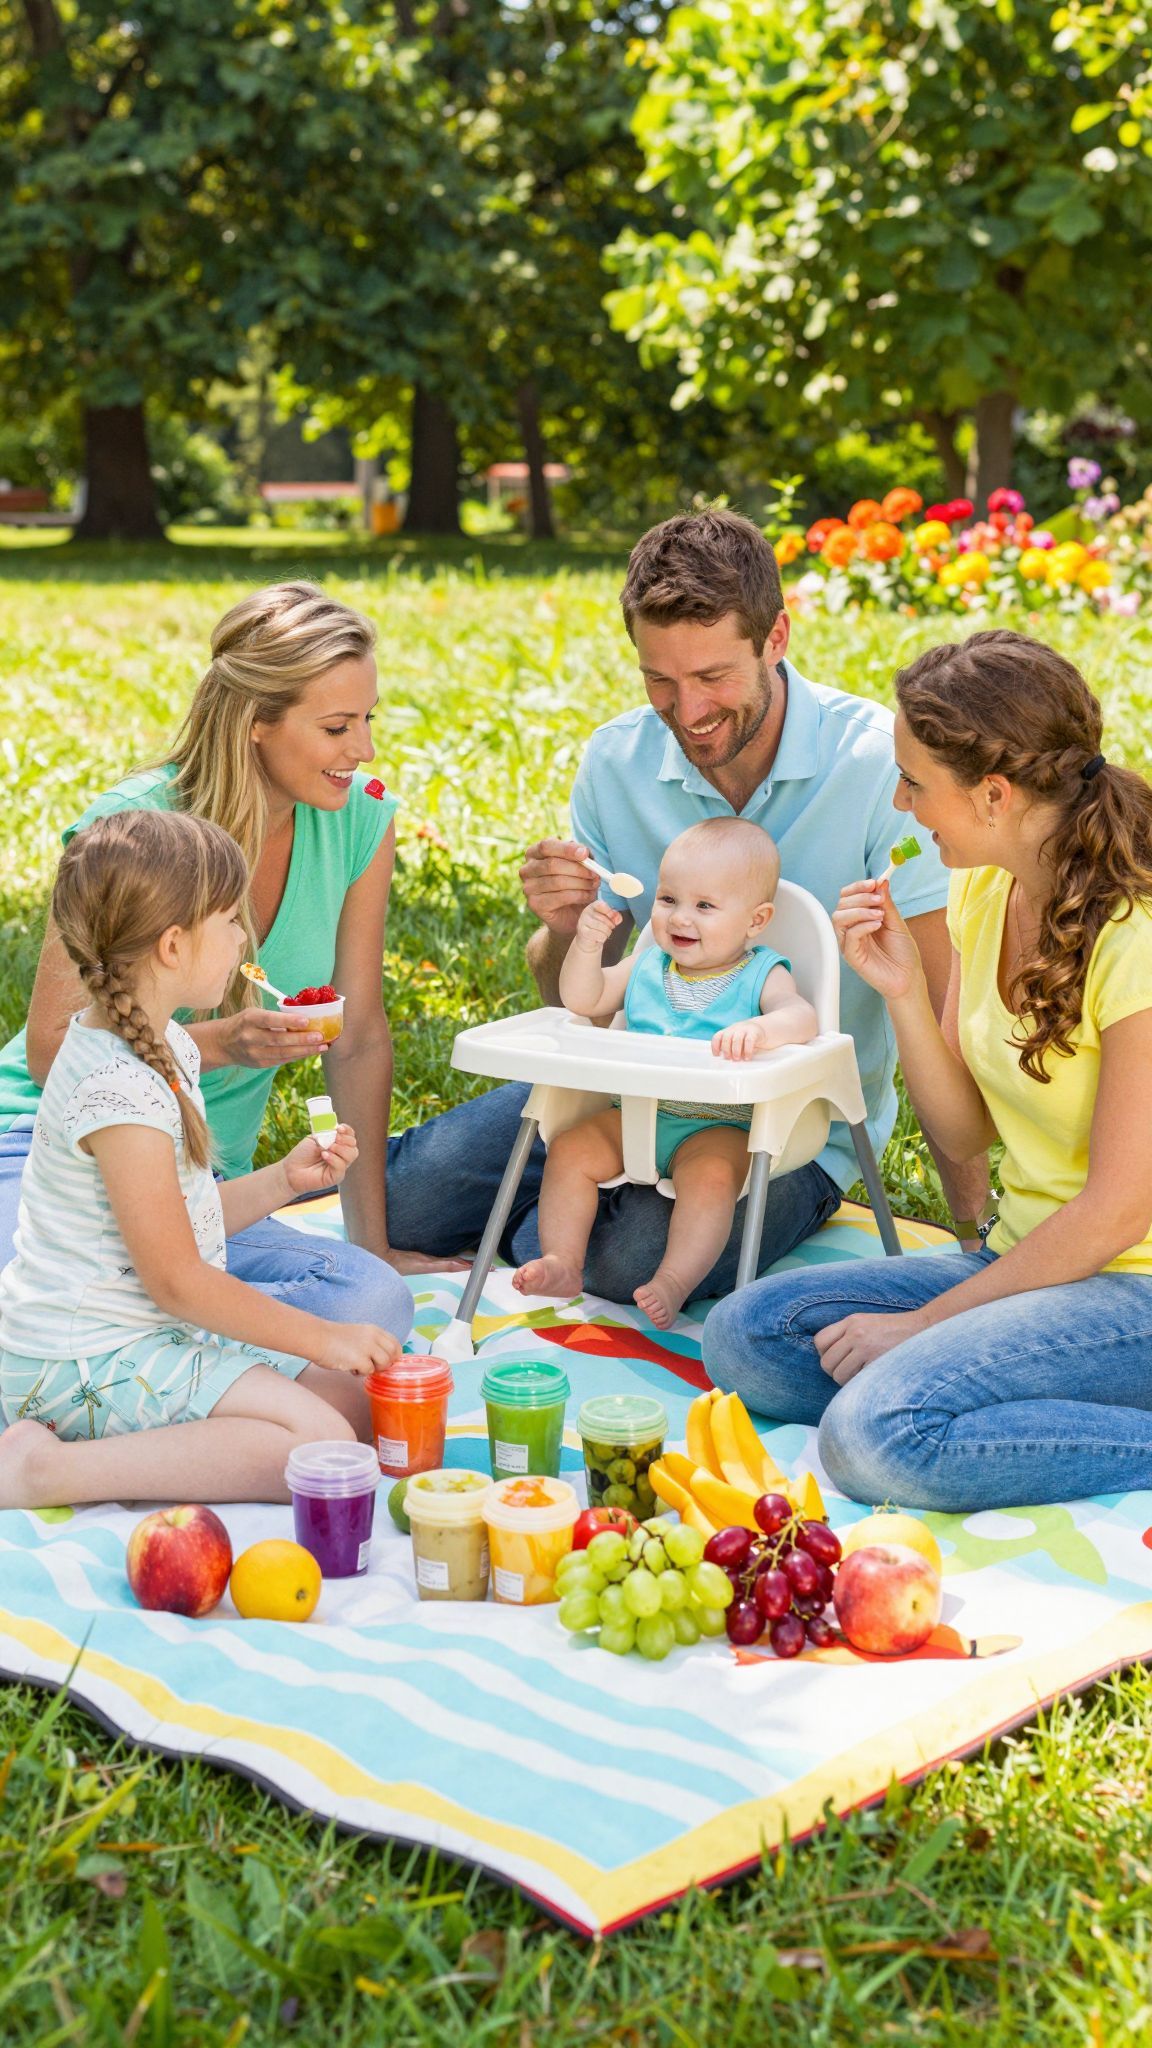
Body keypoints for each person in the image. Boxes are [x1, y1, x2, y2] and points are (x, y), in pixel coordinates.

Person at [387, 509, 990, 1299]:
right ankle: (554, 1214)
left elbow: (940, 1005)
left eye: (712, 677)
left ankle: (545, 1226)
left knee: (628, 1264)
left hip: (781, 1129)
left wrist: (974, 1237)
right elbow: (580, 1009)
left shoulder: (878, 766)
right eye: (659, 680)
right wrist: (568, 931)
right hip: (623, 1090)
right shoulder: (617, 761)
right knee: (408, 1198)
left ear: (776, 638)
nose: (688, 711)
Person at [702, 629, 1152, 1512]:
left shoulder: (1135, 937)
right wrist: (903, 992)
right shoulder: (985, 888)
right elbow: (967, 1132)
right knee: (746, 1336)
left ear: (993, 794)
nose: (902, 805)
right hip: (1026, 1260)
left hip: (1132, 1285)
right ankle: (1013, 1397)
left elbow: (1118, 1211)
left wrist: (923, 1327)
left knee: (875, 1438)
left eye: (915, 783)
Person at [0, 581, 465, 1340]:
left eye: (368, 720)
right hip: (56, 1151)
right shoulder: (132, 829)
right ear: (256, 723)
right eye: (338, 726)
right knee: (65, 1299)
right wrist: (223, 1045)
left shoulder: (359, 821)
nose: (366, 750)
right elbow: (55, 1053)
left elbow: (360, 1036)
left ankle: (150, 1348)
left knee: (368, 1303)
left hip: (205, 1183)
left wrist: (371, 1245)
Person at [0, 812, 403, 1511]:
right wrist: (322, 1336)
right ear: (174, 945)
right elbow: (178, 1281)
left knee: (353, 1407)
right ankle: (45, 1472)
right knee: (323, 1450)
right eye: (230, 922)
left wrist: (282, 1181)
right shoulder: (117, 1088)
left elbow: (177, 1223)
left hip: (149, 1333)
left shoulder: (167, 1045)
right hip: (80, 1360)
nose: (244, 938)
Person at [513, 818, 818, 1325]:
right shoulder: (648, 965)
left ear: (756, 920)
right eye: (668, 899)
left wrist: (762, 1031)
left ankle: (674, 1279)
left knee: (713, 1179)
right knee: (570, 1147)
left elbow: (802, 1017)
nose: (680, 918)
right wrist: (586, 947)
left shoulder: (761, 972)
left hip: (716, 1124)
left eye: (704, 906)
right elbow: (583, 1000)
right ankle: (562, 1262)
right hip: (633, 1114)